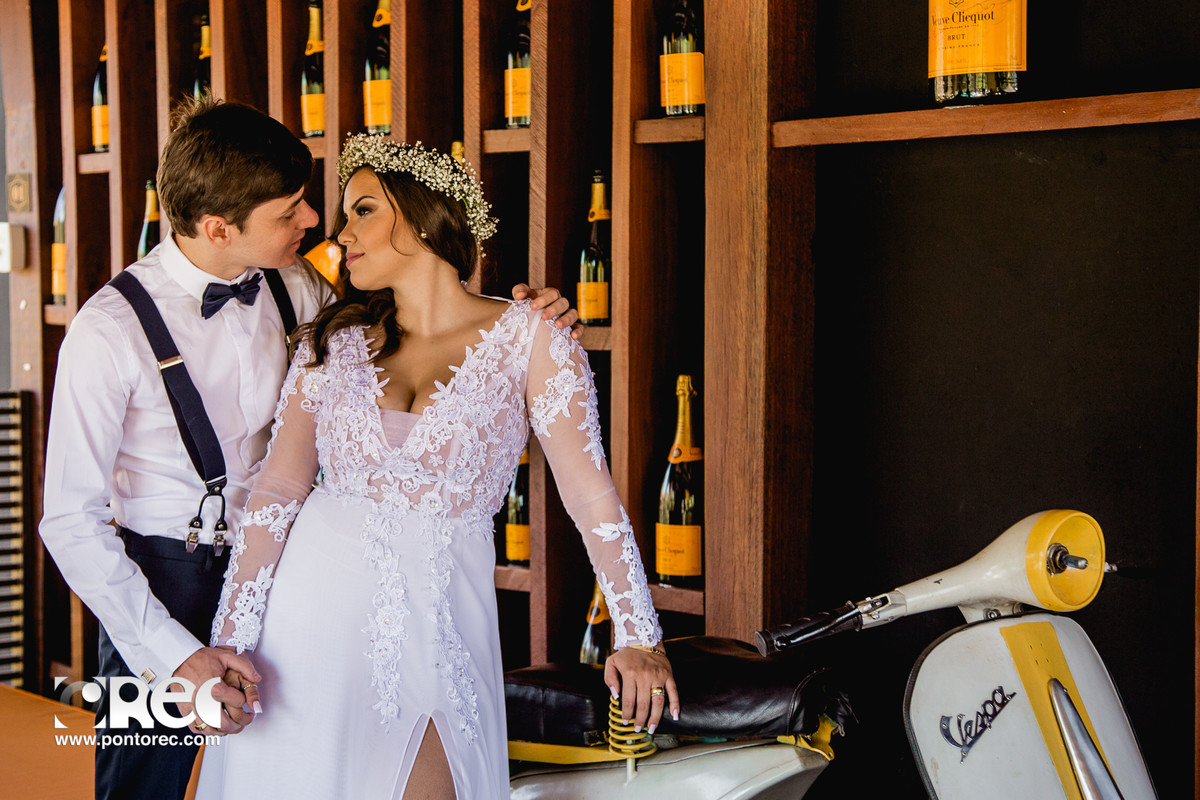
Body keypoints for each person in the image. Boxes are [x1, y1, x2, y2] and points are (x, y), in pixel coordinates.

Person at [38, 95, 578, 800]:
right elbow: (67, 521)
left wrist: (533, 319)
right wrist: (174, 655)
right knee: (139, 784)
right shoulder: (105, 330)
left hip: (293, 581)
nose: (313, 222)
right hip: (156, 589)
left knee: (292, 775)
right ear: (218, 227)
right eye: (288, 213)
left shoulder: (300, 287)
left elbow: (415, 320)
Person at [195, 134, 678, 799]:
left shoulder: (531, 336)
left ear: (421, 214)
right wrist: (232, 640)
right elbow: (278, 489)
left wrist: (639, 635)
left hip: (440, 621)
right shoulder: (330, 343)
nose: (340, 234)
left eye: (362, 209)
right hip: (305, 619)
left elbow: (589, 494)